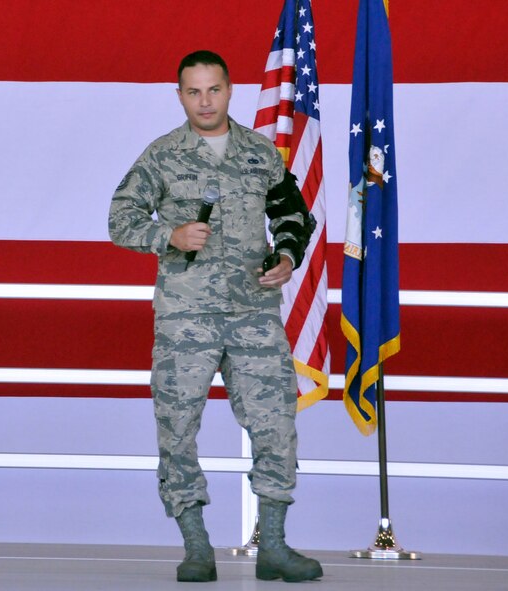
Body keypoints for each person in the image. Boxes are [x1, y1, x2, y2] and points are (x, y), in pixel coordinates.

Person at [108, 50, 322, 583]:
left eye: (214, 89)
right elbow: (120, 219)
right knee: (177, 428)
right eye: (194, 91)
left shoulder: (259, 152)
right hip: (187, 316)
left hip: (253, 312)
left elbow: (293, 212)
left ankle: (272, 545)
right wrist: (169, 235)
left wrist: (287, 256)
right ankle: (196, 547)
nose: (205, 101)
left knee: (276, 425)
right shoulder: (162, 155)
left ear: (230, 90)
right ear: (180, 96)